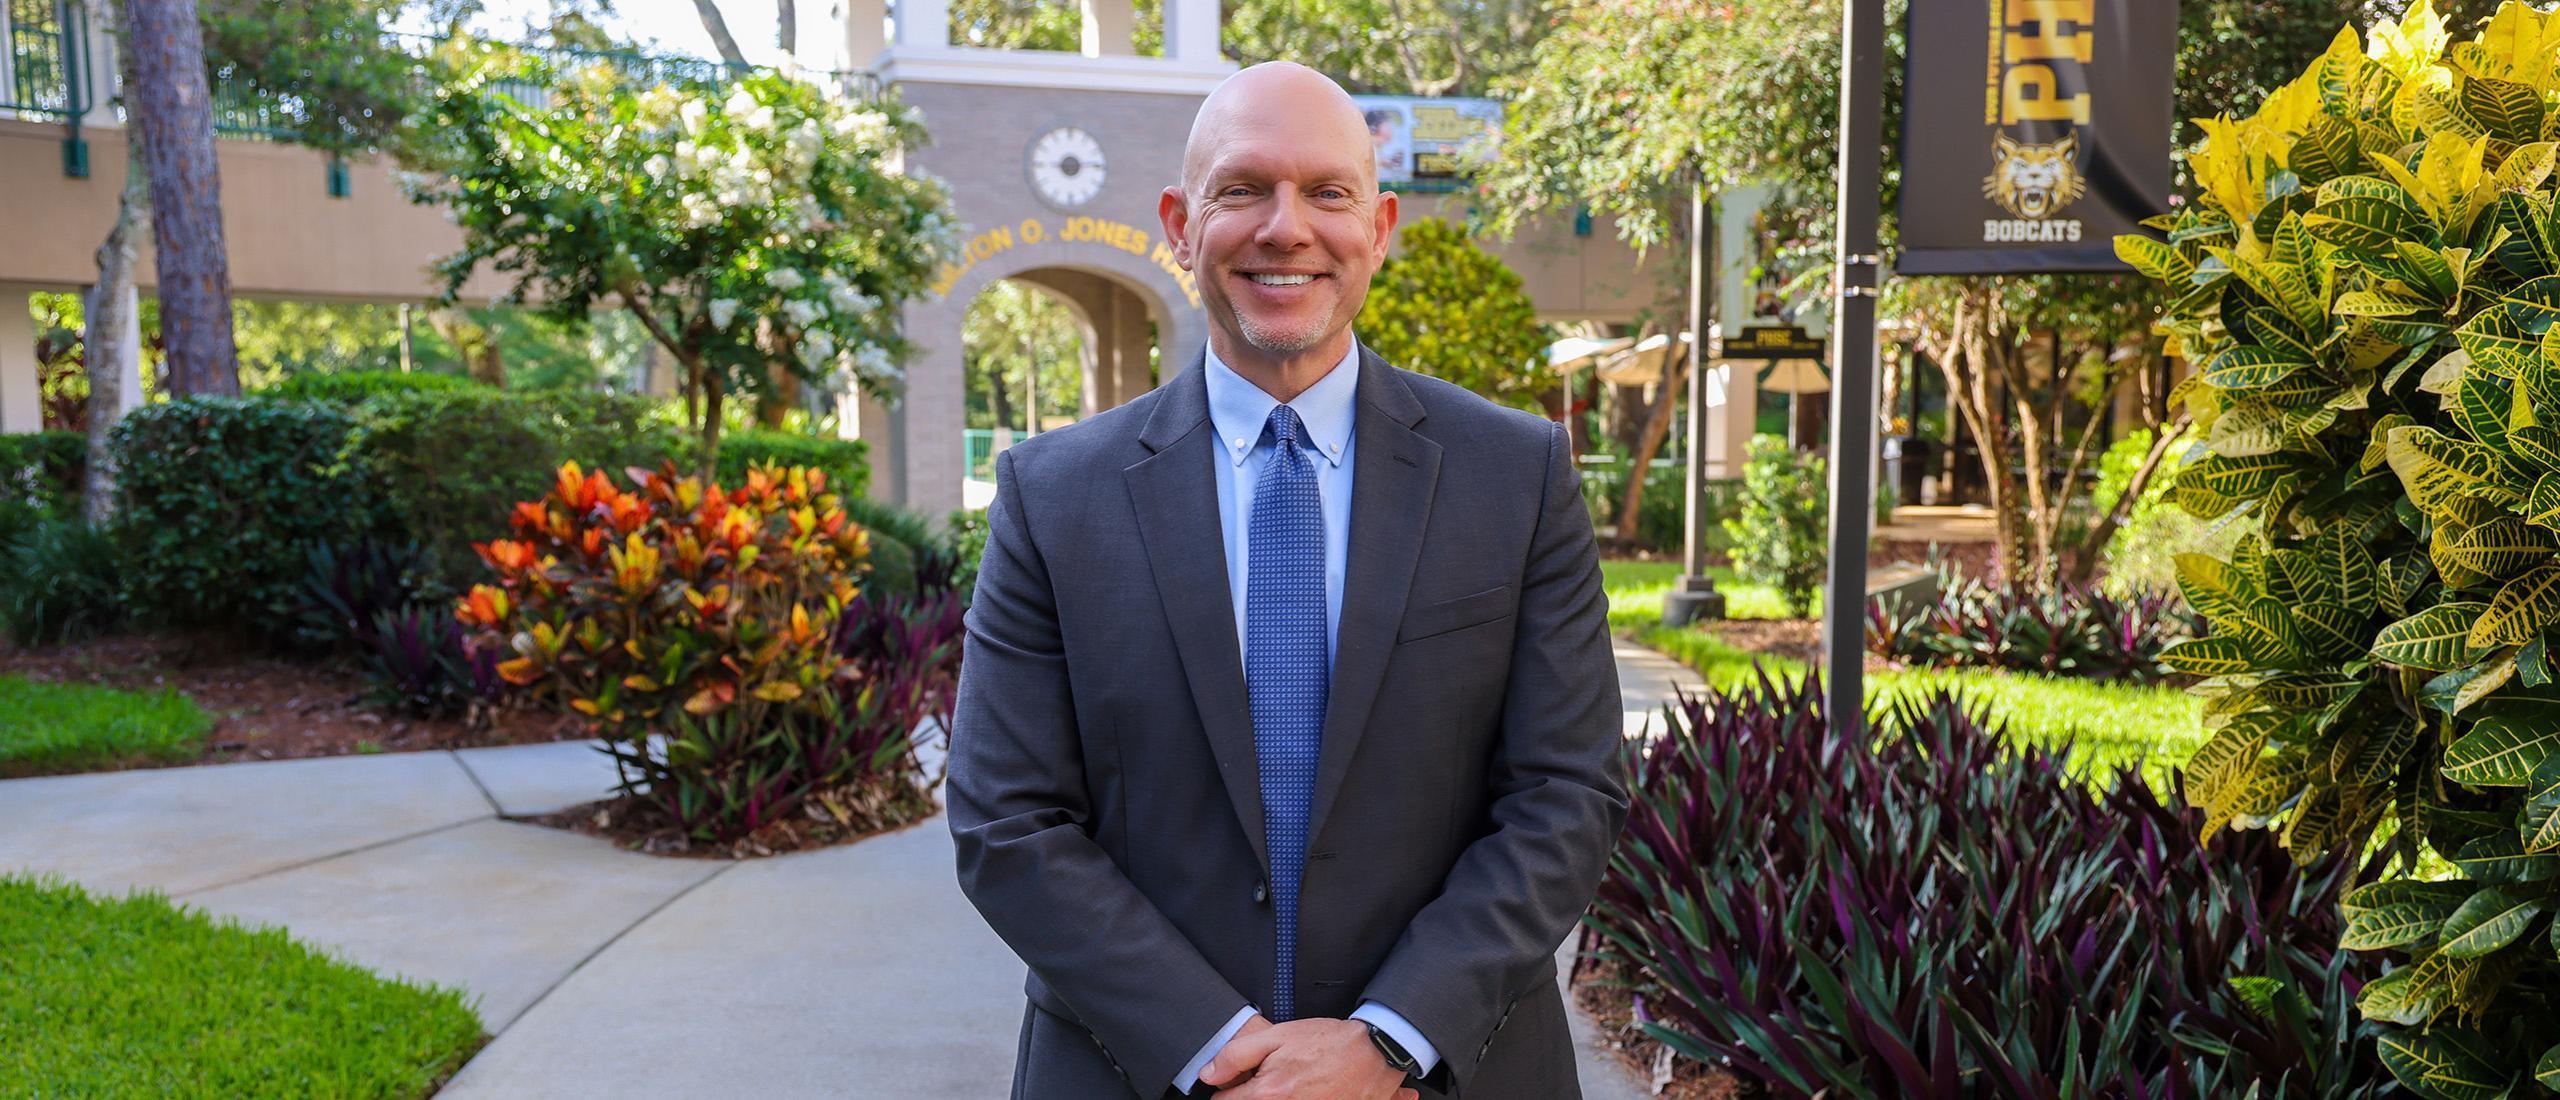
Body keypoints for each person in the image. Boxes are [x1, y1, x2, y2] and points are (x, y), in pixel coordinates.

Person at [948, 61, 1628, 1100]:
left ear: (1381, 223)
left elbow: (1564, 792)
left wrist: (1389, 1038)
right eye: (1242, 188)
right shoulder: (1053, 496)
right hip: (1135, 1069)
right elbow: (1006, 818)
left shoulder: (1516, 475)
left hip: (1449, 1068)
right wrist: (1221, 1047)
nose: (1285, 227)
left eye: (1326, 191)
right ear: (1180, 222)